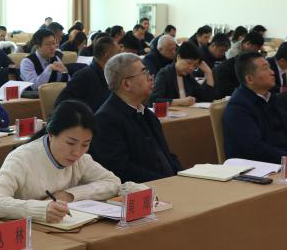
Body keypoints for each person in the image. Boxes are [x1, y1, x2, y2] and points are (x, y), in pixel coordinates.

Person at [0, 100, 121, 224]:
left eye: (85, 144)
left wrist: (69, 195)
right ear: (51, 133)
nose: (77, 152)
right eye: (70, 143)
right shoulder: (21, 158)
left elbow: (113, 183)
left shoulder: (81, 160)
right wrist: (41, 209)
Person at [90, 52, 182, 182]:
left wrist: (182, 176)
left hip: (167, 183)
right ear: (126, 84)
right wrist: (167, 181)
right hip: (144, 188)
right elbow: (120, 169)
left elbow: (167, 155)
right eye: (144, 73)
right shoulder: (105, 120)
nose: (150, 77)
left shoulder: (147, 114)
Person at [222, 52, 287, 162]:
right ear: (249, 79)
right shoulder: (238, 108)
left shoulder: (272, 98)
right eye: (265, 69)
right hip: (260, 166)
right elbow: (255, 149)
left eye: (270, 67)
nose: (272, 72)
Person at [59, 36, 117, 112]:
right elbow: (62, 103)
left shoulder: (108, 75)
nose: (120, 59)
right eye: (118, 55)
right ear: (107, 56)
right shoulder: (84, 76)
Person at [152, 40, 215, 106]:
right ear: (178, 57)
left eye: (195, 65)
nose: (191, 68)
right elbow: (153, 100)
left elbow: (207, 98)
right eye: (189, 63)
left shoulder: (188, 77)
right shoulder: (165, 74)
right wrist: (179, 101)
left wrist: (209, 72)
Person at [214, 31, 264, 98]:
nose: (256, 53)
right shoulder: (232, 57)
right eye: (256, 49)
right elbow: (226, 92)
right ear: (248, 44)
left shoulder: (246, 61)